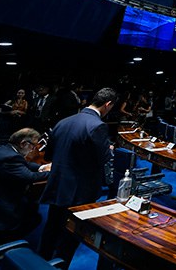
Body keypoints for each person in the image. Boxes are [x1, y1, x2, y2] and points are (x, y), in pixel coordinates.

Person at [38, 87, 116, 265]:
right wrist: (109, 150)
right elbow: (103, 159)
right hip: (79, 192)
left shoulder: (63, 122)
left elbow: (49, 156)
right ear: (108, 104)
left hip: (57, 185)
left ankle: (39, 262)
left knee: (50, 231)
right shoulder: (98, 126)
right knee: (69, 237)